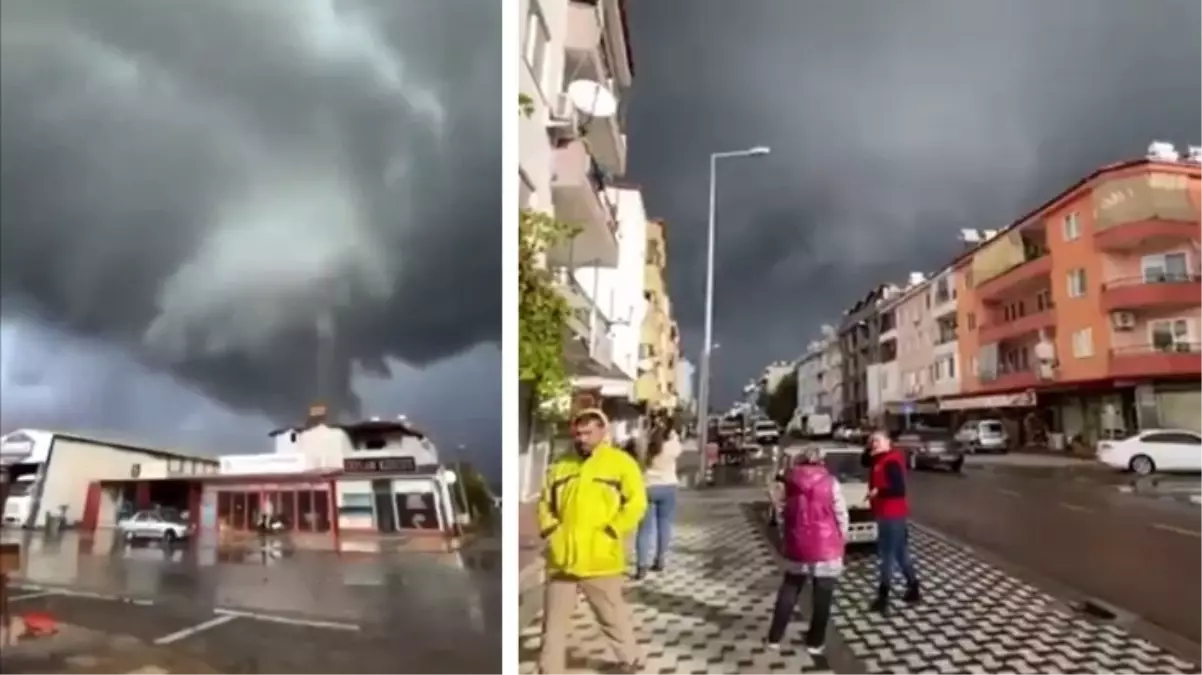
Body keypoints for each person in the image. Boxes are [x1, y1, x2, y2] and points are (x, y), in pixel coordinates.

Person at [537, 409, 647, 675]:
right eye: (578, 433)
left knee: (611, 616)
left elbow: (636, 502)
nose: (582, 438)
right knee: (553, 623)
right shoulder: (561, 465)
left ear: (602, 432)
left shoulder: (620, 464)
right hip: (563, 559)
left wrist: (613, 528)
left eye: (588, 433)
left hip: (601, 558)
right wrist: (551, 530)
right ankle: (548, 669)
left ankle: (629, 660)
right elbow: (544, 502)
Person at [765, 445, 848, 656]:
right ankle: (815, 642)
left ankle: (774, 637)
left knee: (790, 589)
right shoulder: (831, 483)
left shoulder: (790, 482)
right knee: (822, 597)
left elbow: (782, 510)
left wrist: (786, 535)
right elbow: (841, 514)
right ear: (821, 461)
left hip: (798, 544)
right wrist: (842, 539)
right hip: (826, 546)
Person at [862, 430, 921, 614]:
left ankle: (883, 597)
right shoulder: (879, 459)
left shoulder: (891, 461)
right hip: (885, 513)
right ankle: (913, 588)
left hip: (892, 515)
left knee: (886, 555)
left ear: (888, 442)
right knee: (900, 552)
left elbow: (898, 489)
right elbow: (863, 461)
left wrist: (878, 492)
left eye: (878, 440)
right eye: (873, 441)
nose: (874, 443)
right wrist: (869, 448)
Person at [634, 418, 683, 578]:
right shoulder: (671, 445)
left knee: (644, 529)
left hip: (647, 487)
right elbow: (679, 449)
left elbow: (637, 455)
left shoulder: (644, 444)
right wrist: (673, 435)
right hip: (668, 486)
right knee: (665, 525)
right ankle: (660, 560)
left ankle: (641, 566)